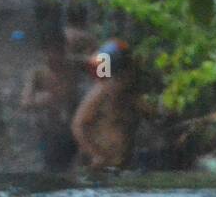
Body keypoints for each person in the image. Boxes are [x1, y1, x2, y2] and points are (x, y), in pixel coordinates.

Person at [71, 40, 139, 169]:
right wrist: (96, 154)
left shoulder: (128, 95)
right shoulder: (100, 92)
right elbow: (78, 125)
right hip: (100, 165)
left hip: (121, 163)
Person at [21, 31, 81, 171]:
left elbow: (100, 66)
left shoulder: (74, 68)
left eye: (58, 51)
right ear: (43, 52)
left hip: (73, 129)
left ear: (64, 51)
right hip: (49, 130)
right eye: (49, 51)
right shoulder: (38, 74)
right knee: (52, 167)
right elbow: (25, 102)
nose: (54, 56)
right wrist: (43, 99)